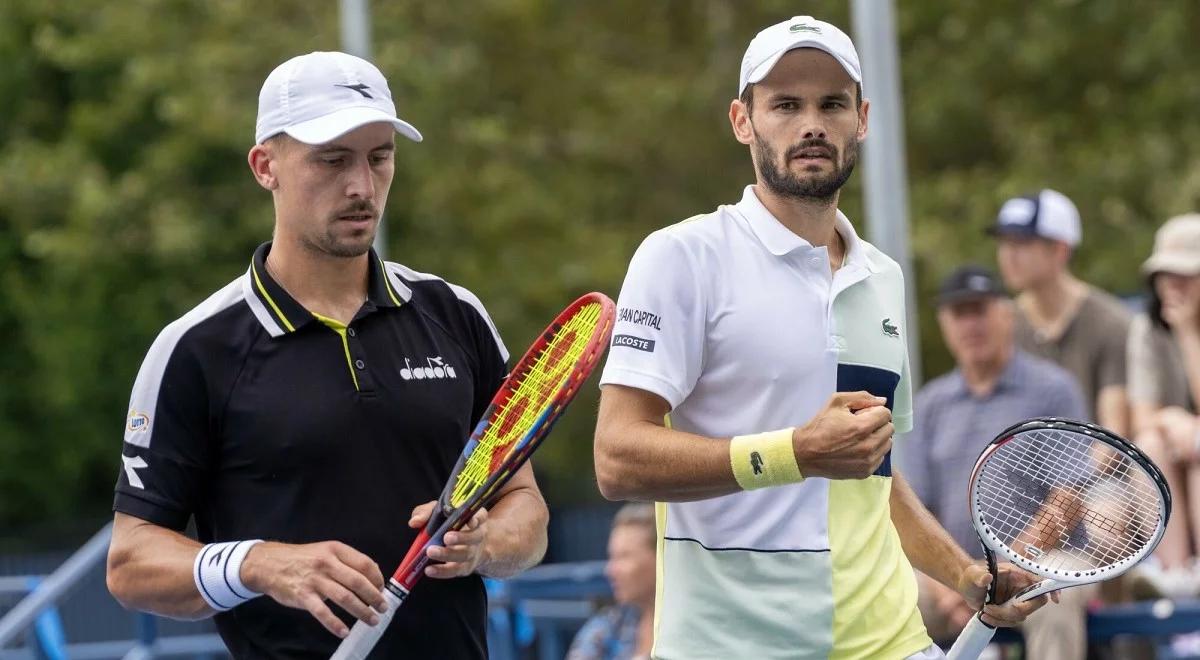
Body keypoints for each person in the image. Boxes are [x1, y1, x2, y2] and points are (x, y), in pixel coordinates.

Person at [593, 16, 1048, 660]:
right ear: (742, 121)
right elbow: (617, 459)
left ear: (861, 119)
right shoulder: (680, 256)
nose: (812, 124)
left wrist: (964, 573)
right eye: (785, 104)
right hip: (729, 645)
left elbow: (874, 477)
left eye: (831, 103)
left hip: (888, 640)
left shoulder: (884, 277)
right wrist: (795, 452)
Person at [104, 51, 549, 659]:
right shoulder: (195, 349)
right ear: (266, 166)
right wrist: (258, 565)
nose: (362, 186)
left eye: (379, 157)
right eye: (332, 159)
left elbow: (525, 508)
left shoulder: (455, 314)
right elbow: (130, 563)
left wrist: (487, 543)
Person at [897, 265, 1092, 659]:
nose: (971, 324)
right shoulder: (930, 405)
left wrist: (1007, 567)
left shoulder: (1052, 389)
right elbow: (915, 508)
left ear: (1007, 314)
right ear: (944, 324)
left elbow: (1068, 499)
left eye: (980, 310)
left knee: (1056, 600)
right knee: (890, 597)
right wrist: (954, 579)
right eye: (959, 313)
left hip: (1046, 559)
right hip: (954, 568)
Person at [991, 189, 1133, 439]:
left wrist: (1072, 477)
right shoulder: (1002, 324)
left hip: (1096, 473)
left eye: (1021, 243)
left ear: (1060, 250)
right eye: (1003, 243)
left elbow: (1113, 436)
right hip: (1018, 471)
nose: (1007, 255)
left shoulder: (1111, 323)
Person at [1127, 214, 1200, 597]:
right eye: (1165, 274)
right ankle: (1178, 575)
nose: (1172, 285)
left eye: (1185, 274)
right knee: (1150, 444)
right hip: (1174, 449)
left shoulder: (1181, 327)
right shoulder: (1146, 328)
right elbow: (1142, 416)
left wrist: (1188, 333)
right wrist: (1174, 420)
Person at [567, 503, 657, 660]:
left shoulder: (694, 631)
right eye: (612, 557)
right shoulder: (609, 626)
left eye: (624, 557)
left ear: (660, 558)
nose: (610, 571)